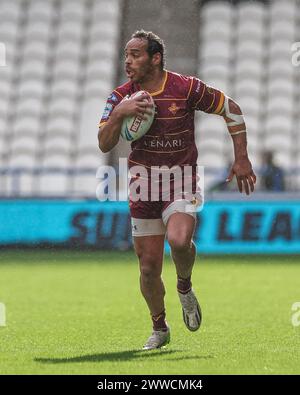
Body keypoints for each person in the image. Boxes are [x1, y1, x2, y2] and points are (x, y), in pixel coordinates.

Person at [98, 30, 256, 350]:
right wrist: (119, 115)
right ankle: (160, 328)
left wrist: (241, 158)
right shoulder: (119, 97)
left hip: (182, 178)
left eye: (136, 54)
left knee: (180, 240)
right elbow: (104, 143)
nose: (127, 61)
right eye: (126, 54)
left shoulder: (185, 88)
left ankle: (184, 286)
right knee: (148, 267)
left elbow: (232, 109)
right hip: (142, 183)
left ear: (155, 58)